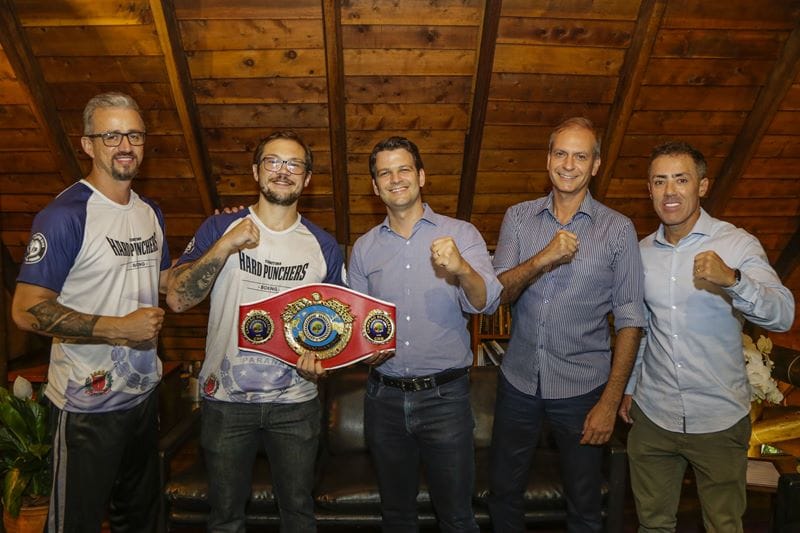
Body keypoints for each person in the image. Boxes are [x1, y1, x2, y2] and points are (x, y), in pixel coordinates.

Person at [166, 130, 345, 532]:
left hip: (297, 402)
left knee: (298, 514)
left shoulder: (323, 245)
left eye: (294, 164)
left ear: (307, 178)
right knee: (225, 516)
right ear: (255, 171)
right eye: (273, 162)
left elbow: (336, 326)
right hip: (225, 401)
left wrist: (323, 365)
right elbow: (177, 298)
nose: (283, 171)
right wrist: (226, 246)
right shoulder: (220, 228)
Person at [11, 92, 170, 532]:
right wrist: (117, 329)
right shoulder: (64, 215)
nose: (125, 145)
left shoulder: (149, 212)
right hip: (86, 402)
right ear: (88, 144)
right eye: (111, 134)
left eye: (134, 134)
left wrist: (225, 240)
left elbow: (162, 284)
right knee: (75, 522)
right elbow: (26, 311)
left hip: (143, 395)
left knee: (138, 519)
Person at [619, 141, 795, 532]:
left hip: (718, 417)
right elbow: (645, 329)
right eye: (659, 181)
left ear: (702, 185)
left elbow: (783, 315)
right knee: (652, 525)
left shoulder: (737, 244)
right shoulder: (641, 252)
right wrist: (631, 386)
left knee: (723, 525)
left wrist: (733, 280)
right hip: (654, 416)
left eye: (681, 180)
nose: (670, 192)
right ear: (648, 190)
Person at [488, 117, 646, 532]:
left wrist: (609, 403)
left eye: (581, 155)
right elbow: (498, 294)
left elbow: (630, 320)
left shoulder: (618, 229)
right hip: (518, 381)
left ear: (596, 165)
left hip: (582, 390)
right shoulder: (519, 218)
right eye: (561, 153)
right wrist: (544, 257)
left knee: (584, 504)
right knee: (503, 494)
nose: (569, 164)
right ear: (548, 159)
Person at [347, 136, 502, 532]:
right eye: (385, 172)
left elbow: (485, 303)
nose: (395, 178)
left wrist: (462, 268)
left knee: (456, 516)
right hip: (382, 398)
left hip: (444, 399)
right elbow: (357, 326)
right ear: (375, 185)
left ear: (421, 176)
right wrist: (364, 351)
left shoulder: (461, 234)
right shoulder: (364, 249)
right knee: (396, 515)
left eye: (403, 169)